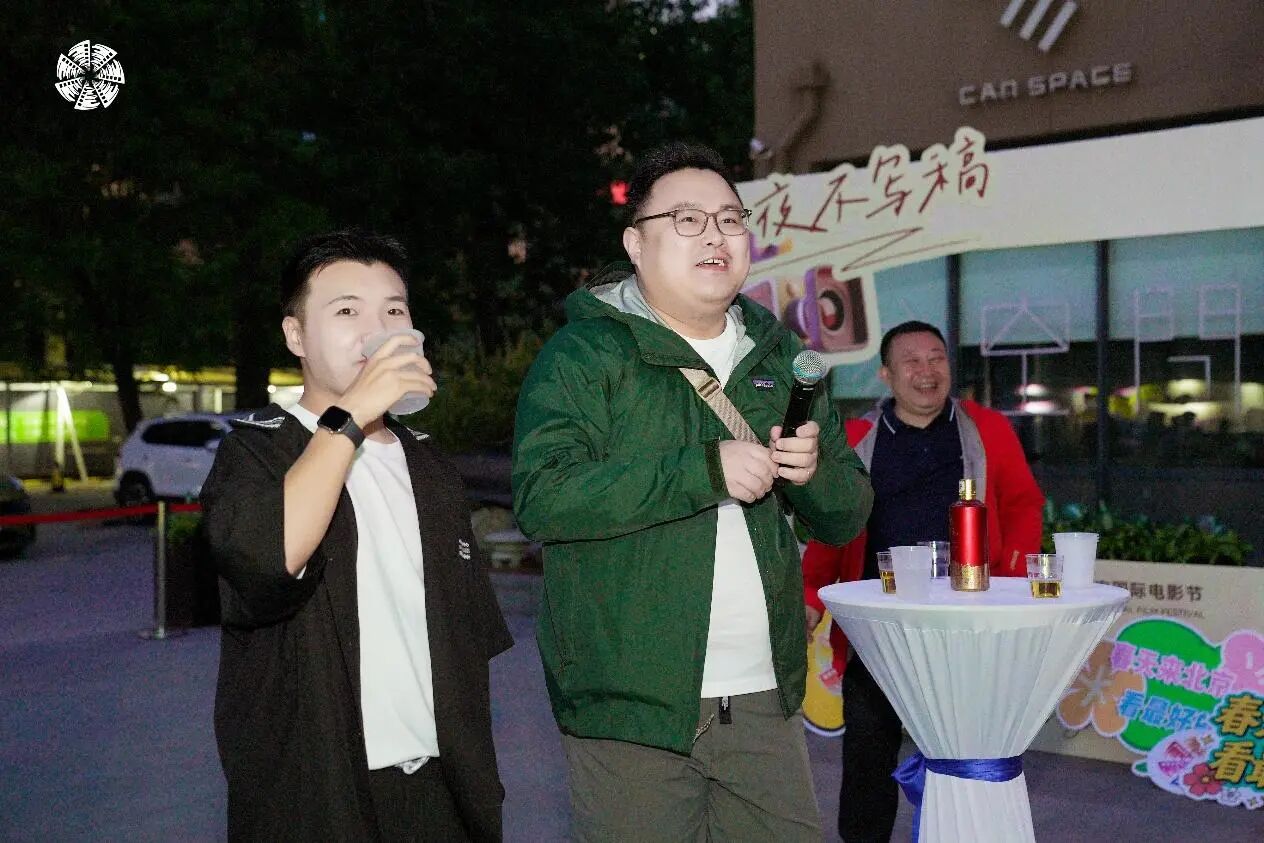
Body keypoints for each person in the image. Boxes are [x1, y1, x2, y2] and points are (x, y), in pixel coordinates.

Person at [512, 142, 873, 841]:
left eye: (731, 219)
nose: (715, 235)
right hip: (631, 710)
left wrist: (814, 474)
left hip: (765, 699)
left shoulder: (780, 358)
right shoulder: (585, 355)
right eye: (687, 219)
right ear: (635, 242)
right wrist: (702, 471)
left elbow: (848, 513)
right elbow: (544, 495)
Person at [201, 229, 513, 842]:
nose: (377, 330)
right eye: (347, 311)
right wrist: (349, 418)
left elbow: (465, 638)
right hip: (315, 790)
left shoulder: (429, 464)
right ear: (296, 336)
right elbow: (269, 559)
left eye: (394, 311)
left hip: (441, 787)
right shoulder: (257, 451)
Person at [802, 320, 1044, 842]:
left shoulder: (986, 429)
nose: (926, 370)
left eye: (936, 358)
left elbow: (1024, 505)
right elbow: (830, 525)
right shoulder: (856, 440)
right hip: (878, 631)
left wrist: (1011, 585)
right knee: (868, 758)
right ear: (886, 375)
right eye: (911, 361)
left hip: (967, 628)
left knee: (969, 753)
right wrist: (807, 598)